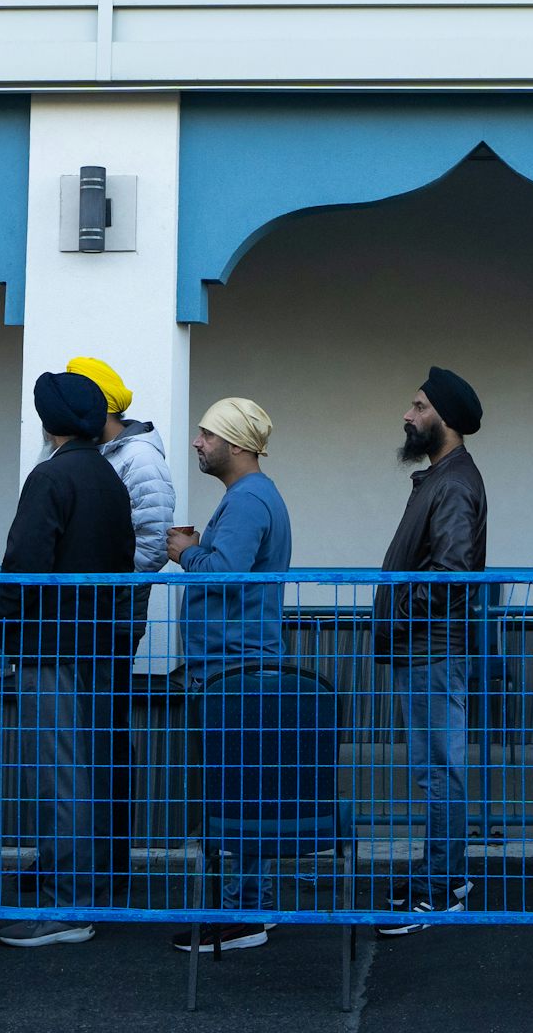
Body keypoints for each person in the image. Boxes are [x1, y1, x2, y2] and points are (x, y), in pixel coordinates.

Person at [0, 371, 135, 948]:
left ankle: (67, 907)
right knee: (92, 770)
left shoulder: (50, 477)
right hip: (100, 645)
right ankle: (93, 894)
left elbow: (24, 562)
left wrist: (6, 628)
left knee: (61, 779)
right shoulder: (108, 478)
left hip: (50, 648)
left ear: (49, 423)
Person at [167, 397, 292, 954]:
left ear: (237, 445)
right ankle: (248, 906)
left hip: (234, 670)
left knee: (237, 795)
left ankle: (245, 913)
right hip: (235, 666)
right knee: (242, 792)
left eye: (207, 435)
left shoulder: (246, 502)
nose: (198, 443)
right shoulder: (251, 497)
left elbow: (224, 573)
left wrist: (188, 552)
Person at [373, 368, 487, 935]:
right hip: (423, 647)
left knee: (440, 771)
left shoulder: (454, 484)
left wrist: (396, 613)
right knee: (435, 771)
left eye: (418, 406)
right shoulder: (441, 478)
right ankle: (442, 876)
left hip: (433, 650)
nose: (408, 415)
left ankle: (442, 889)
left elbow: (451, 573)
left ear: (445, 418)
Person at [66, 356, 175, 642]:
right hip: (87, 610)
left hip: (116, 614)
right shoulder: (94, 451)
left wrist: (108, 584)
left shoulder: (140, 457)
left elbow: (155, 540)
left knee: (107, 683)